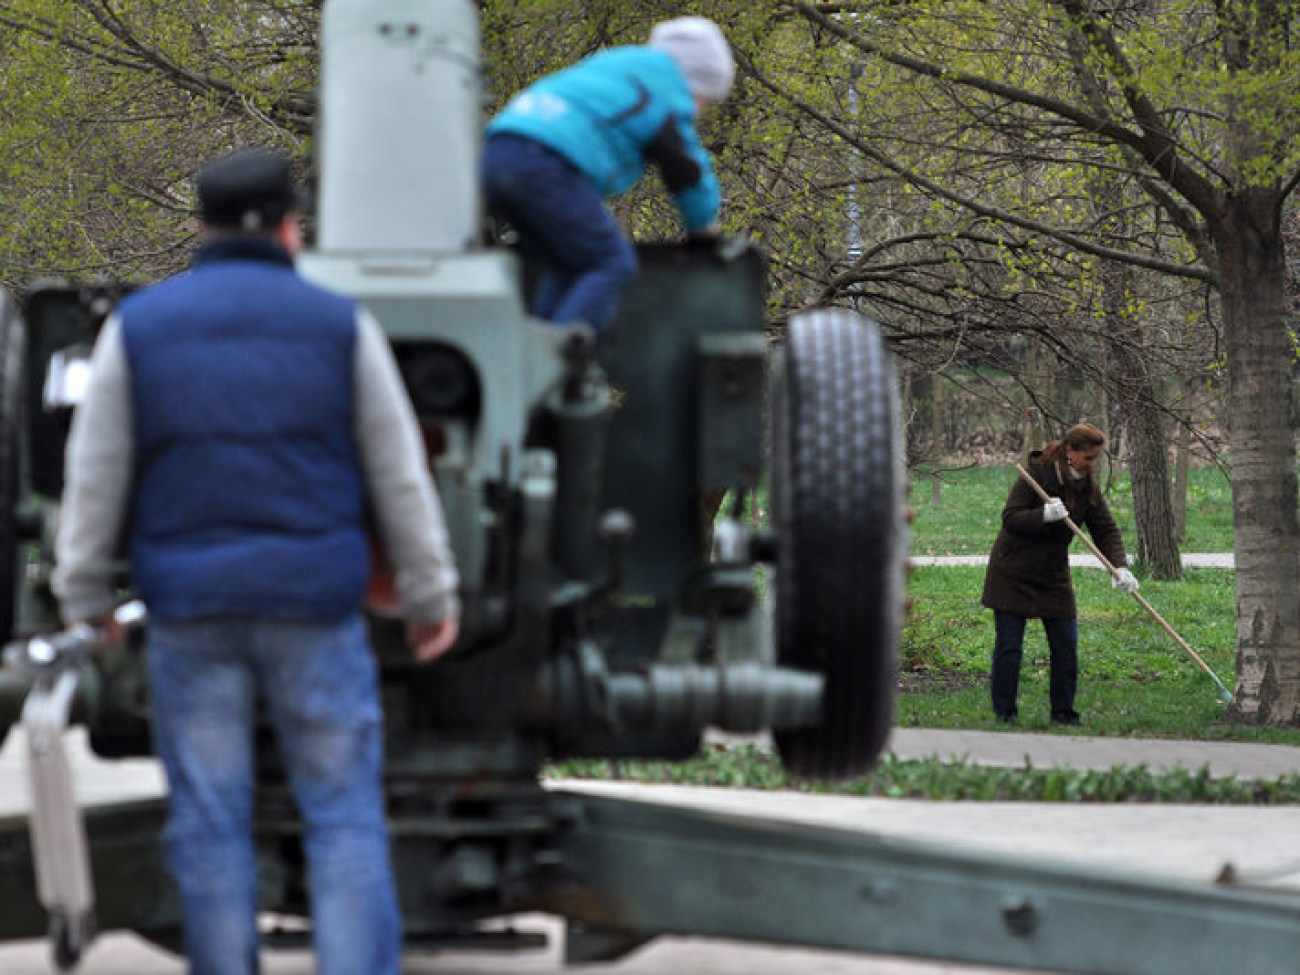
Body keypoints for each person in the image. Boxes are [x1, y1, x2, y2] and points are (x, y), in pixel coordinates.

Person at [52, 147, 461, 975]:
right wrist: (429, 593)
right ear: (288, 227)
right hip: (314, 607)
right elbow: (398, 477)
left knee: (209, 821)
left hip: (191, 610)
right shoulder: (340, 324)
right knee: (343, 813)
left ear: (200, 226)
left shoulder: (139, 327)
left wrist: (84, 594)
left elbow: (94, 476)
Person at [481, 15, 735, 335]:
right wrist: (703, 230)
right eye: (705, 101)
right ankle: (559, 365)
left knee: (568, 265)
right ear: (694, 79)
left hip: (495, 155)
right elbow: (685, 168)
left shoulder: (618, 65)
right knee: (611, 262)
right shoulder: (664, 87)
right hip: (544, 163)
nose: (698, 112)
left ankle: (535, 356)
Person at [981, 423, 1138, 727]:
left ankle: (1063, 713)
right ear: (1070, 451)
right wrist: (1043, 515)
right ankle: (1005, 713)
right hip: (1013, 570)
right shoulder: (1037, 474)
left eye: (1096, 459)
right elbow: (1010, 518)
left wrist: (1119, 566)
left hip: (1052, 575)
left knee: (1066, 643)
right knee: (1010, 646)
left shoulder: (1087, 486)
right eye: (1089, 458)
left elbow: (1105, 528)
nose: (1093, 465)